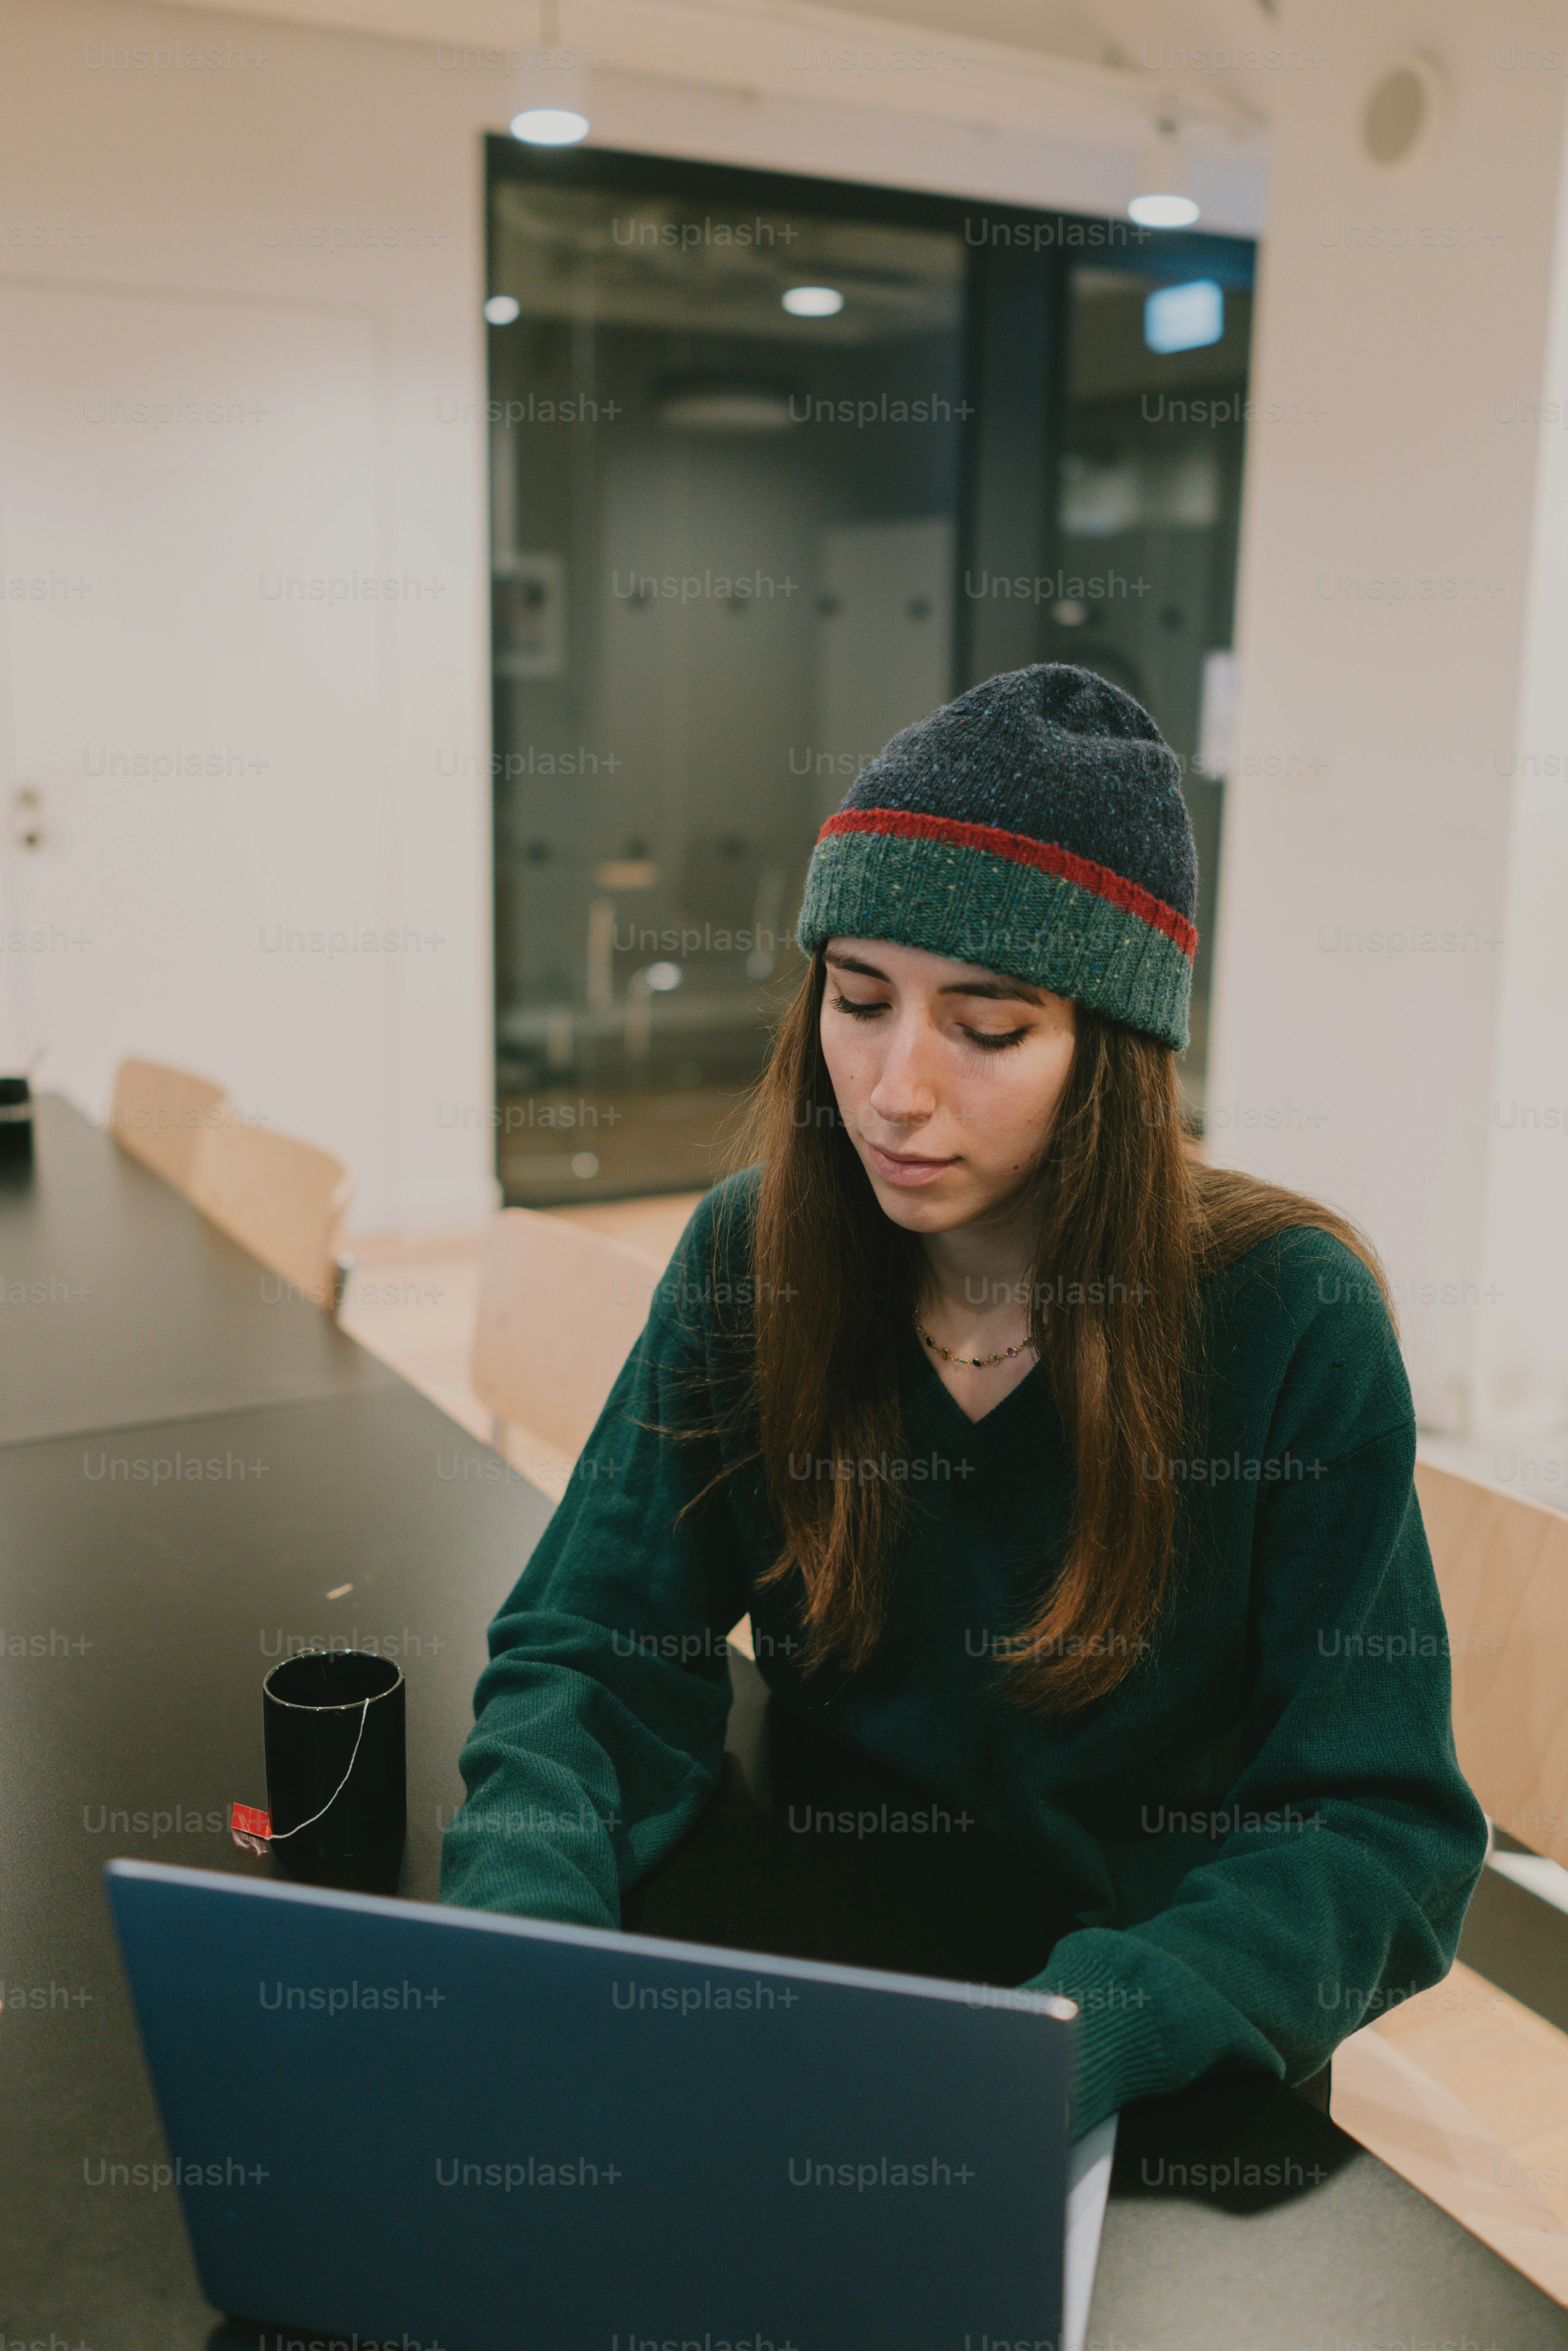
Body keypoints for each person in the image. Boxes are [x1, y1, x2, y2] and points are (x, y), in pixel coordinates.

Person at [441, 663, 1487, 2136]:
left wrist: (1067, 2045)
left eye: (986, 1031)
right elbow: (594, 1644)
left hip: (1139, 2056)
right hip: (816, 1955)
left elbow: (1374, 1827)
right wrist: (523, 1933)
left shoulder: (1286, 1318)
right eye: (858, 1003)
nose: (890, 1090)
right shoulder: (754, 1249)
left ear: (1111, 1055)